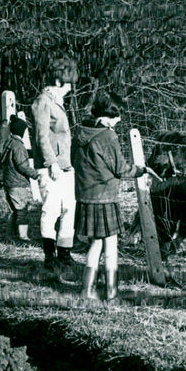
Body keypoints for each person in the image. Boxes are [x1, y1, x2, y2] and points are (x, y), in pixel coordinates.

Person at [73, 91, 152, 301]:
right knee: (110, 246)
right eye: (116, 116)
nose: (118, 121)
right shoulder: (108, 136)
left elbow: (75, 163)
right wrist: (140, 170)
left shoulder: (81, 133)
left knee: (95, 243)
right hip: (105, 198)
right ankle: (111, 292)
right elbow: (121, 169)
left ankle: (87, 290)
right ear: (107, 116)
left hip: (86, 196)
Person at [31, 56, 79, 282]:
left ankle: (65, 253)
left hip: (66, 165)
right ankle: (49, 258)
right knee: (51, 210)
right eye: (69, 83)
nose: (71, 88)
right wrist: (51, 163)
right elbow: (41, 136)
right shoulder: (43, 101)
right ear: (58, 81)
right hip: (51, 168)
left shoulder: (57, 102)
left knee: (70, 208)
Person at [0, 113, 40, 242]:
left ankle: (9, 236)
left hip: (9, 182)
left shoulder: (9, 144)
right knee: (22, 211)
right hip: (18, 183)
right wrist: (36, 174)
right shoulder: (19, 146)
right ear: (22, 131)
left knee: (14, 211)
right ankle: (23, 237)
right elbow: (22, 166)